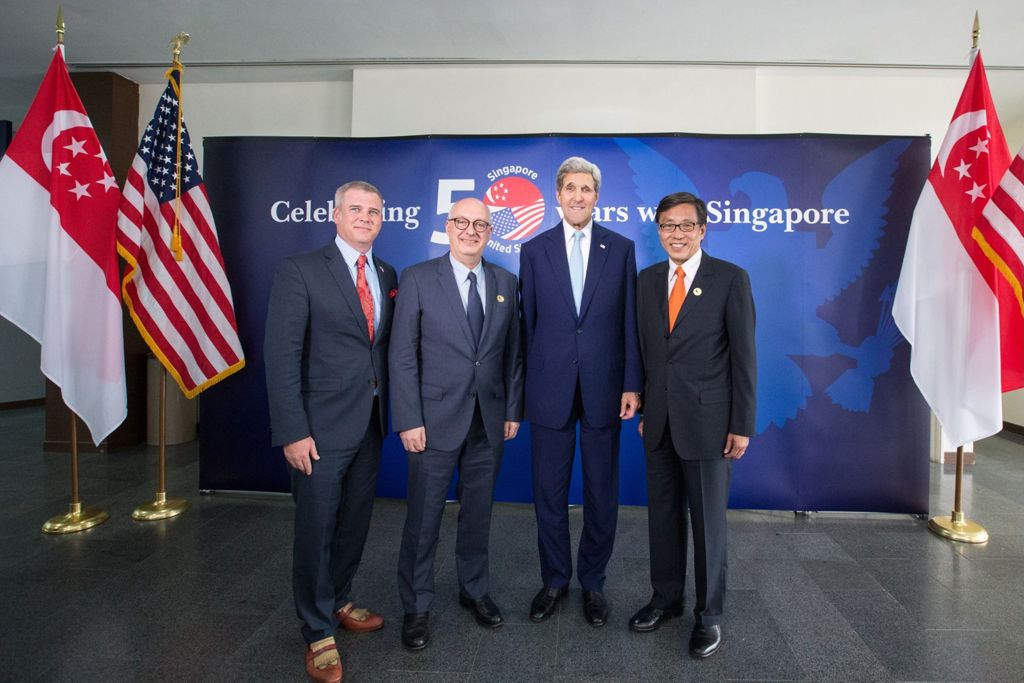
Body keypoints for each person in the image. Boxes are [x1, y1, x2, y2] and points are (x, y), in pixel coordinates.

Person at [264, 181, 397, 683]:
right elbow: (280, 357)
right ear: (335, 214)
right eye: (356, 209)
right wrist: (292, 431)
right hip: (317, 429)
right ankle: (317, 631)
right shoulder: (299, 271)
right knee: (316, 528)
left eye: (374, 211)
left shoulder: (385, 273)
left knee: (355, 521)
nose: (365, 217)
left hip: (370, 423)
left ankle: (339, 598)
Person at [390, 197, 524, 650]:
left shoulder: (506, 281)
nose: (471, 230)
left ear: (491, 232)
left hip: (488, 421)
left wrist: (511, 409)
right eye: (462, 222)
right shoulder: (418, 279)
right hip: (432, 421)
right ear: (447, 227)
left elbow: (512, 354)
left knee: (478, 514)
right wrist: (408, 417)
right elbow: (402, 355)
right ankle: (416, 605)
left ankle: (474, 590)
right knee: (424, 518)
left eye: (480, 224)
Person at [631, 191, 756, 659]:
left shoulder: (729, 279)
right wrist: (644, 406)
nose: (676, 234)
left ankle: (709, 616)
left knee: (707, 526)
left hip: (709, 424)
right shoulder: (645, 282)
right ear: (658, 231)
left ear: (703, 230)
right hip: (659, 423)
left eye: (686, 225)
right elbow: (644, 351)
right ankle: (665, 599)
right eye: (668, 225)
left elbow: (745, 358)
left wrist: (741, 424)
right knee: (662, 519)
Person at [519, 156, 642, 627]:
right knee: (547, 492)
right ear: (557, 195)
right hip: (548, 389)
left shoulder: (622, 248)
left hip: (604, 389)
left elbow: (630, 322)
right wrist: (522, 390)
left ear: (597, 195)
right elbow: (527, 326)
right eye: (569, 188)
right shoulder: (534, 250)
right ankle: (554, 580)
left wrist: (632, 383)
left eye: (586, 189)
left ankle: (593, 582)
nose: (577, 196)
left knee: (600, 491)